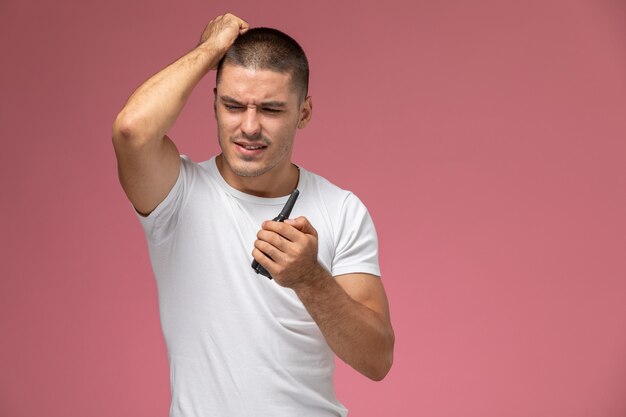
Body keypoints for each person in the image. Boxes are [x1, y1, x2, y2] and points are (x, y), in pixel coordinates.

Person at [112, 13, 394, 417]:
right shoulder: (177, 195)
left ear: (304, 113)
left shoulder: (342, 210)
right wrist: (210, 49)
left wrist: (309, 279)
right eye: (232, 105)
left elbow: (376, 358)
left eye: (271, 110)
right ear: (213, 103)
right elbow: (131, 130)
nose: (249, 127)